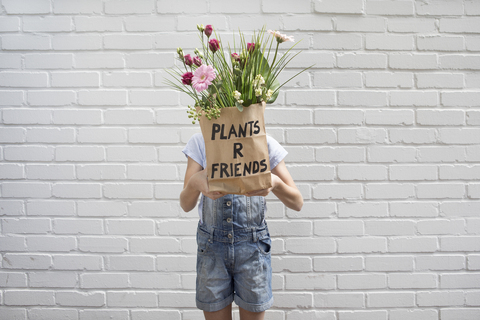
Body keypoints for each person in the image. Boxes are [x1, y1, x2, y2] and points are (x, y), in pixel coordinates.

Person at [180, 132, 303, 320]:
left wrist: (275, 183)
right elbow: (186, 204)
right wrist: (194, 183)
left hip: (253, 250)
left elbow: (297, 202)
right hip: (213, 250)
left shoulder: (264, 143)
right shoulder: (200, 142)